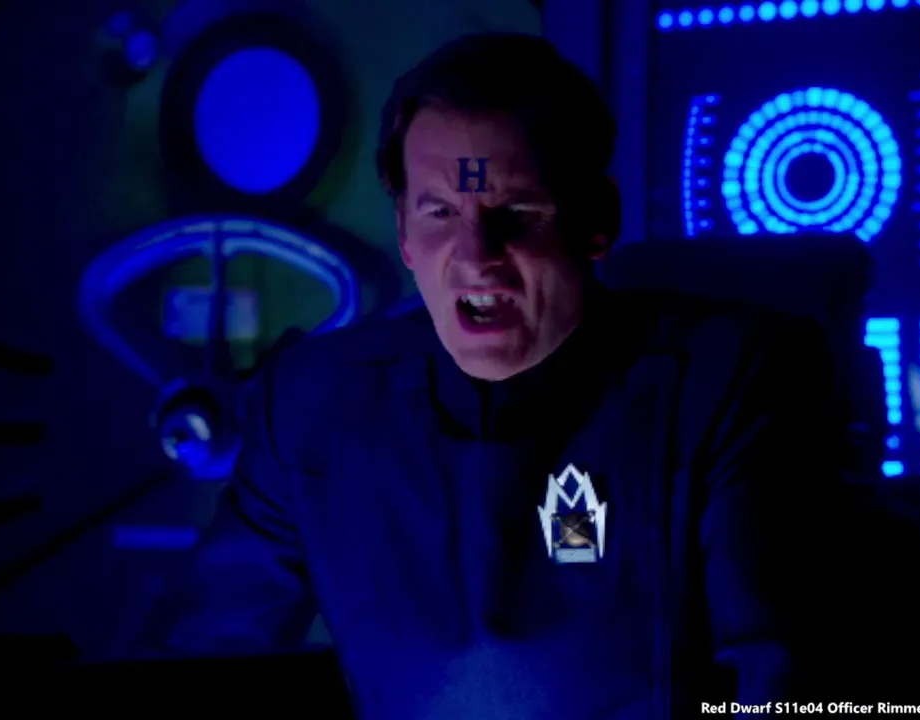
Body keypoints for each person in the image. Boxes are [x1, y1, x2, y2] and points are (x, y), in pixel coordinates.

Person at [147, 33, 846, 718]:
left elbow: (782, 682)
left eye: (517, 212)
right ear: (404, 237)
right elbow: (206, 664)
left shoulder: (729, 381)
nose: (477, 257)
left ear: (598, 220)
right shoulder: (310, 407)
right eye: (441, 213)